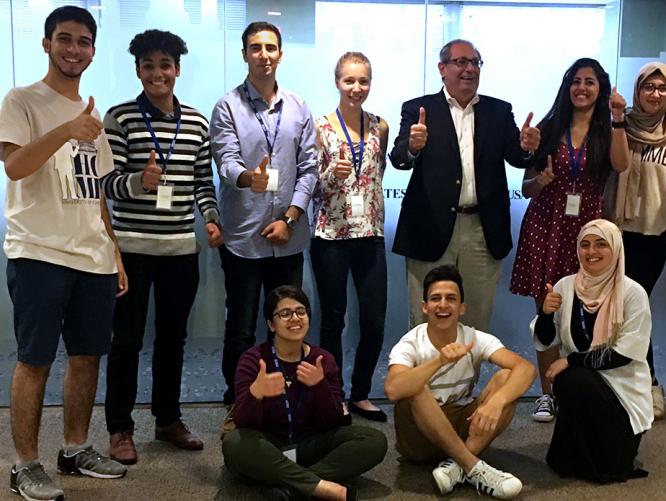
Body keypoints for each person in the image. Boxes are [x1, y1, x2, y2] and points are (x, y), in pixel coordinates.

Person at [0, 6, 128, 500]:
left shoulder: (93, 115)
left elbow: (96, 191)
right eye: (64, 39)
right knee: (34, 360)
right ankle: (24, 465)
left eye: (83, 41)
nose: (73, 49)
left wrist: (113, 251)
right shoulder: (22, 101)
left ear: (93, 49)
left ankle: (75, 448)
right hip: (38, 250)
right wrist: (64, 131)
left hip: (91, 254)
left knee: (87, 356)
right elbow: (14, 167)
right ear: (47, 43)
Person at [101, 29, 222, 464]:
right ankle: (119, 428)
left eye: (165, 65)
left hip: (179, 252)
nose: (158, 74)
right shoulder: (120, 118)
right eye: (149, 66)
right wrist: (139, 181)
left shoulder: (196, 122)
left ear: (177, 70)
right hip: (131, 251)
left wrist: (210, 220)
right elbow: (107, 184)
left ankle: (168, 419)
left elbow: (202, 183)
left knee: (173, 338)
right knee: (126, 341)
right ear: (138, 71)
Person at [390, 39, 540, 332]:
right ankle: (425, 379)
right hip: (429, 229)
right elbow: (399, 159)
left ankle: (466, 380)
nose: (470, 69)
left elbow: (517, 158)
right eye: (461, 62)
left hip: (481, 231)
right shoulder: (418, 109)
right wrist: (412, 145)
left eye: (475, 62)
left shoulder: (498, 111)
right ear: (442, 68)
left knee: (475, 322)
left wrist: (527, 148)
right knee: (426, 321)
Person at [509, 58, 629, 423]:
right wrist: (539, 181)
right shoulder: (549, 128)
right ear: (567, 86)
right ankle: (547, 395)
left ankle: (579, 391)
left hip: (588, 233)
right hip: (546, 228)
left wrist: (619, 118)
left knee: (587, 314)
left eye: (590, 82)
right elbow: (527, 187)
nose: (582, 87)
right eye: (576, 81)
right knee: (547, 312)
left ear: (600, 88)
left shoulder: (608, 130)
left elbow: (621, 166)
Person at [210, 21, 317, 411]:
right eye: (255, 48)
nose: (264, 55)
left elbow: (309, 168)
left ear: (281, 54)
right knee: (240, 327)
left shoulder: (299, 105)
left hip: (288, 237)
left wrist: (290, 217)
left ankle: (288, 395)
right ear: (244, 55)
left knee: (289, 323)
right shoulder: (227, 106)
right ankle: (238, 400)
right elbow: (225, 159)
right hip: (243, 238)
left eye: (270, 48)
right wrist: (246, 178)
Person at [222, 286, 387, 500]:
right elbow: (243, 423)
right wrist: (256, 393)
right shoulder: (253, 360)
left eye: (301, 311)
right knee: (234, 443)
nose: (295, 318)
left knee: (373, 440)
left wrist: (319, 386)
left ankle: (292, 487)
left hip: (310, 445)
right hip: (268, 445)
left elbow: (336, 422)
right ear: (271, 324)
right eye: (285, 313)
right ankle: (322, 486)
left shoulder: (322, 359)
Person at [385, 265, 535, 499]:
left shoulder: (474, 338)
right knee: (414, 386)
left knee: (506, 379)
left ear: (461, 308)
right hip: (419, 438)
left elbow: (526, 369)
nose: (443, 305)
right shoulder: (411, 342)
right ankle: (473, 467)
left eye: (451, 299)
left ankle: (456, 467)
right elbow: (393, 389)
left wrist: (497, 403)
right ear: (425, 307)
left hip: (460, 424)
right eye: (436, 298)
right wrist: (439, 361)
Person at [533, 219, 652, 483]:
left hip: (623, 392)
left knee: (572, 377)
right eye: (584, 245)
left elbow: (624, 354)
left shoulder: (632, 293)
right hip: (585, 384)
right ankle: (579, 451)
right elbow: (545, 339)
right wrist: (545, 314)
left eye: (601, 244)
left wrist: (571, 361)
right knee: (572, 380)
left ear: (616, 249)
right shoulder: (565, 286)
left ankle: (606, 451)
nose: (591, 252)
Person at [611, 62, 666, 420]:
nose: (655, 93)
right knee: (610, 309)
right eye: (649, 86)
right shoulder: (619, 125)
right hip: (615, 233)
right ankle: (615, 381)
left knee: (636, 310)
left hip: (653, 235)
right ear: (638, 89)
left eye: (663, 88)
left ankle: (649, 383)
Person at [311, 52, 388, 422]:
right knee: (333, 320)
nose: (357, 88)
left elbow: (378, 176)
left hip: (369, 233)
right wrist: (331, 174)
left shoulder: (380, 127)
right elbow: (310, 186)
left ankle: (360, 392)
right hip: (330, 236)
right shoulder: (320, 127)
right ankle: (333, 394)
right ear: (337, 82)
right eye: (349, 81)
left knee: (374, 320)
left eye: (363, 81)